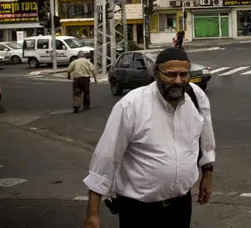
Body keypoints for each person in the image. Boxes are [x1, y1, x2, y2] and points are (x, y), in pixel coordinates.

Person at [82, 47, 216, 228]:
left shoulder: (196, 97)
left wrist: (207, 175)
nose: (178, 81)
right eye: (171, 74)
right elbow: (106, 159)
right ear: (156, 73)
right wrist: (92, 215)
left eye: (184, 74)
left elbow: (206, 140)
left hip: (180, 206)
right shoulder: (131, 105)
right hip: (138, 211)